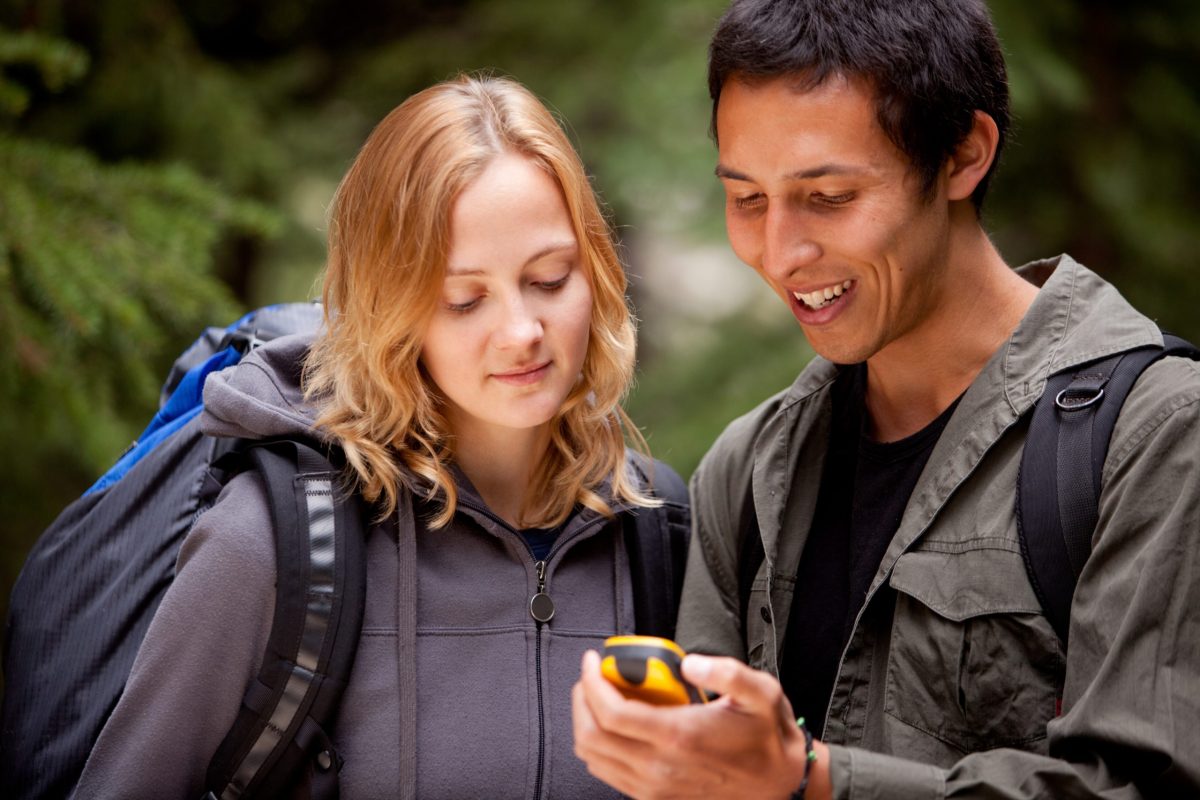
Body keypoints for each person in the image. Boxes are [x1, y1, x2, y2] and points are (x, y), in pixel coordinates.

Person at [573, 0, 1200, 797]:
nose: (780, 253)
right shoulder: (751, 468)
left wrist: (813, 779)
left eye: (829, 196)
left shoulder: (1157, 435)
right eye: (748, 199)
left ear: (963, 155)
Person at [71, 73, 687, 799]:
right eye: (465, 299)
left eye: (550, 279)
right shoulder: (270, 548)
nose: (522, 332)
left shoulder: (656, 529)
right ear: (393, 312)